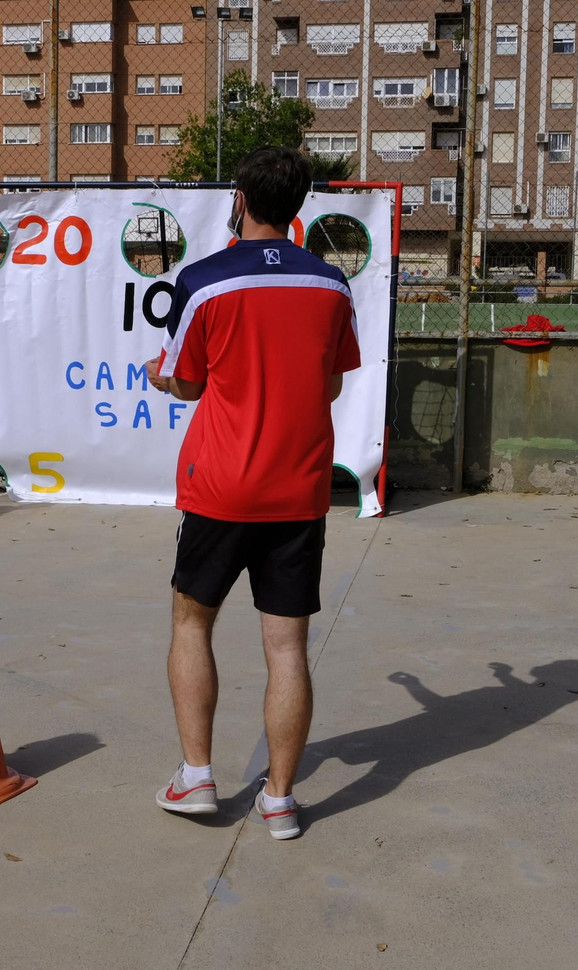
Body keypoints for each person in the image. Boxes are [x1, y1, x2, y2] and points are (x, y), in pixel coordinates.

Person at [144, 146, 360, 841]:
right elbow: (330, 385)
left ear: (240, 198)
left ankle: (198, 776)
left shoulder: (204, 281)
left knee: (190, 624)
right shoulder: (330, 284)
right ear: (299, 205)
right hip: (298, 491)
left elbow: (186, 381)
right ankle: (280, 800)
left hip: (220, 489)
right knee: (287, 648)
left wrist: (158, 376)